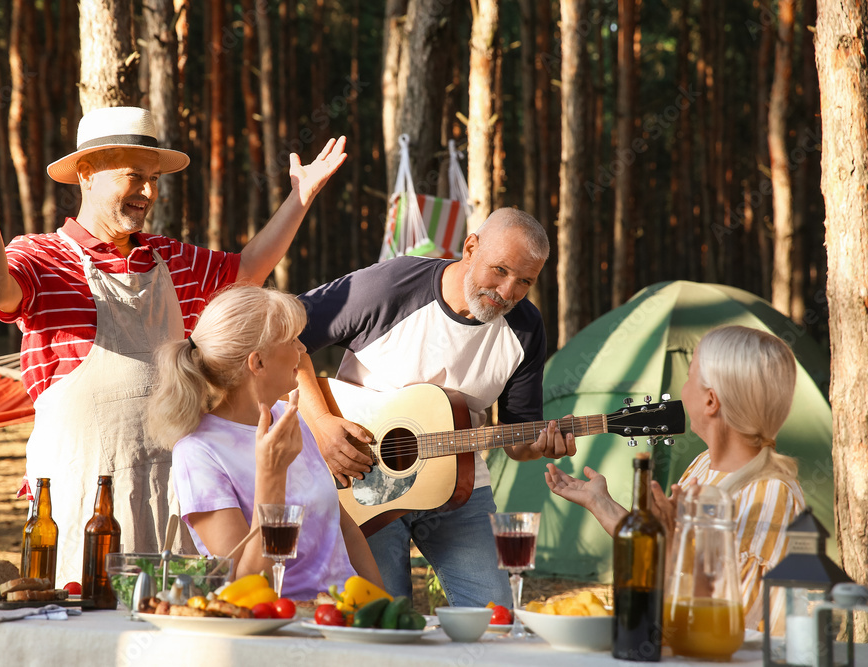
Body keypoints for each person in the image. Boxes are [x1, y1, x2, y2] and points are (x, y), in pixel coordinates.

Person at [0, 107, 347, 584]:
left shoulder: (168, 257)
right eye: (133, 176)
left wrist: (302, 195)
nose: (148, 192)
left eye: (152, 179)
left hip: (175, 485)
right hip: (83, 489)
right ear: (86, 174)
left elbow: (247, 272)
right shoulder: (42, 256)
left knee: (177, 621)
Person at [295, 208, 575, 607]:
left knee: (494, 618)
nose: (508, 292)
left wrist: (543, 443)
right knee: (379, 618)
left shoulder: (526, 330)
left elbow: (518, 439)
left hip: (460, 490)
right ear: (470, 247)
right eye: (500, 270)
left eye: (525, 281)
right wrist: (321, 423)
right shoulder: (391, 285)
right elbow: (283, 333)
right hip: (360, 481)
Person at [545, 325, 806, 631]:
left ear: (711, 401)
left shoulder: (771, 492)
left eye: (689, 377)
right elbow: (667, 561)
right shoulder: (704, 465)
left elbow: (733, 619)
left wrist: (671, 548)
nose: (681, 391)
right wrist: (602, 505)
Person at [147, 285, 382, 600]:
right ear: (256, 363)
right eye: (290, 340)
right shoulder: (198, 452)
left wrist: (382, 606)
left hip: (345, 616)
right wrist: (272, 477)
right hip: (279, 628)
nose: (301, 349)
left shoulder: (289, 417)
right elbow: (246, 583)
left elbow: (343, 527)